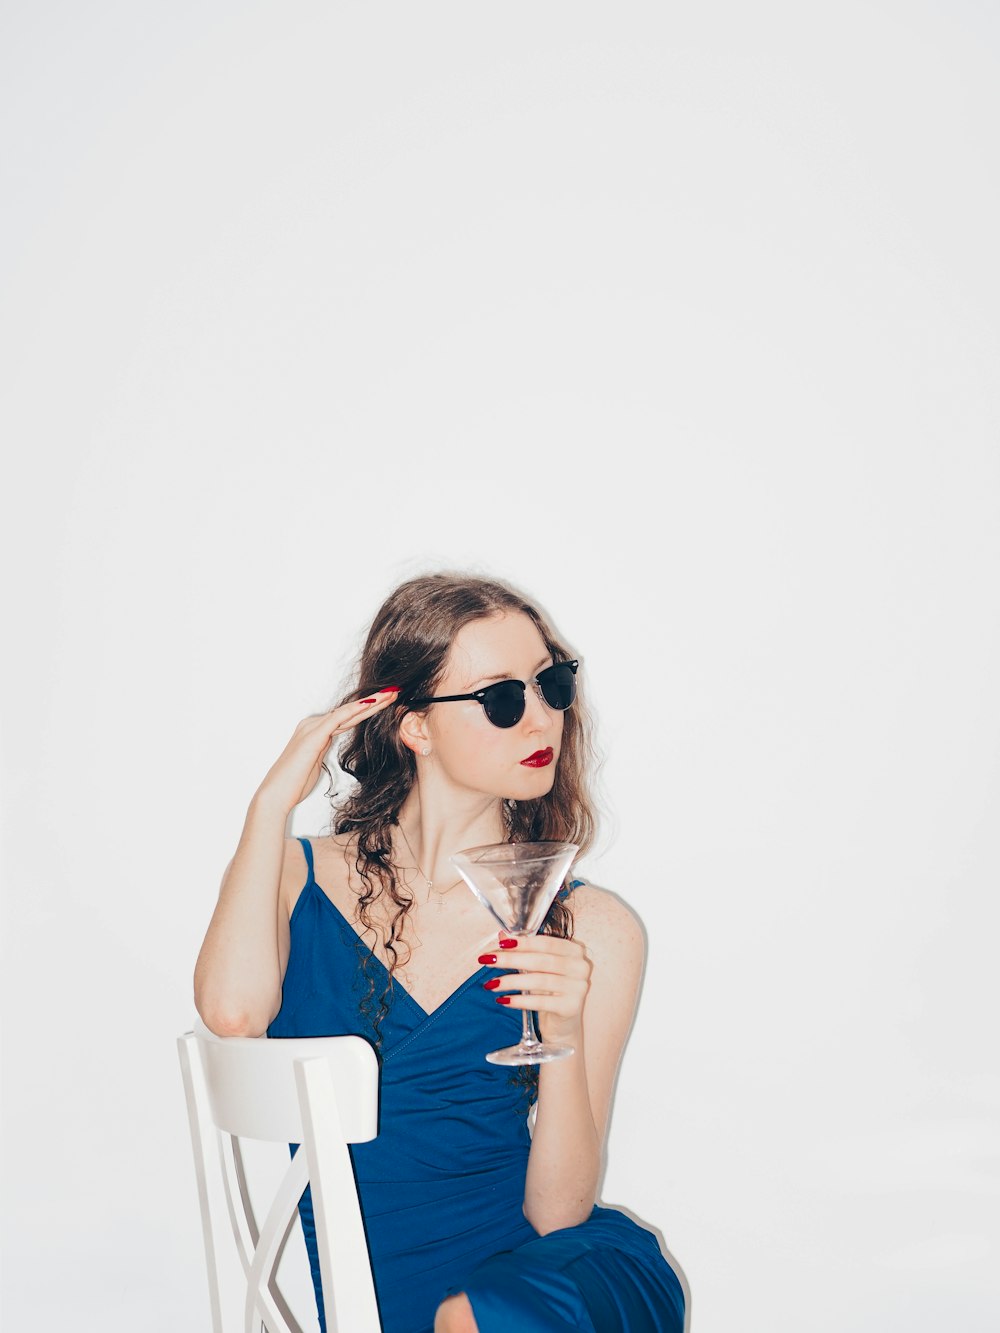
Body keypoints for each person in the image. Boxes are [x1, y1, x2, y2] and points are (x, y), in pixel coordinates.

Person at [194, 572, 686, 1333]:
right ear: (413, 724)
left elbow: (559, 1212)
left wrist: (563, 1036)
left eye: (551, 684)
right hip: (382, 1296)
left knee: (478, 1317)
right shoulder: (296, 874)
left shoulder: (594, 926)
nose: (543, 720)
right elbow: (232, 1012)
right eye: (502, 698)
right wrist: (268, 805)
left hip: (543, 1279)